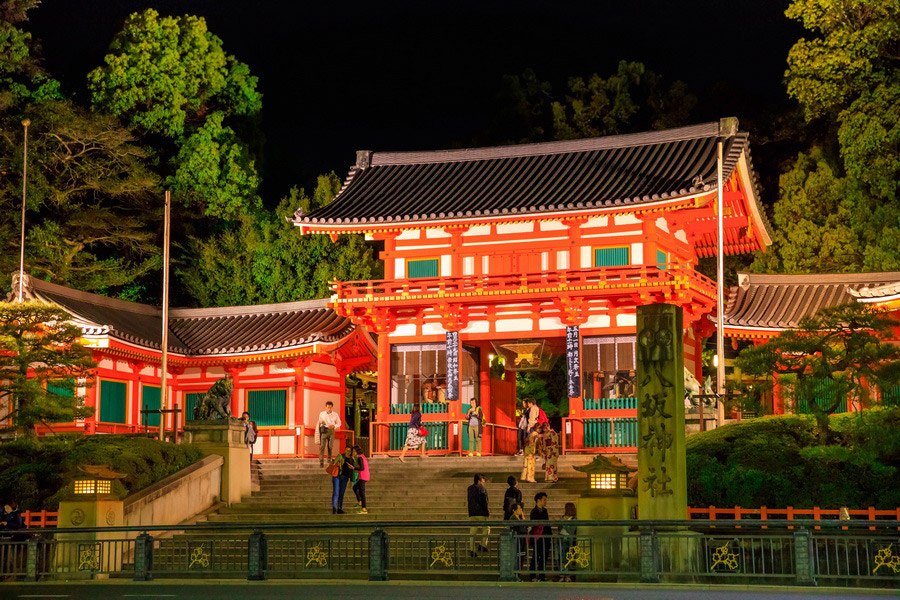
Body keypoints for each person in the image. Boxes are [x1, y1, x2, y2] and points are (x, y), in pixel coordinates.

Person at [466, 473, 490, 556]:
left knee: (472, 532)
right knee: (486, 528)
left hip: (472, 513)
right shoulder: (481, 488)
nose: (484, 481)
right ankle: (483, 545)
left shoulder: (469, 488)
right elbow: (484, 501)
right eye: (483, 479)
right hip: (481, 512)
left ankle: (472, 550)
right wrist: (487, 512)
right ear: (480, 480)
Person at [529, 491, 550, 581]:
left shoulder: (545, 511)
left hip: (545, 536)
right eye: (544, 500)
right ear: (538, 500)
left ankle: (542, 576)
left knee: (544, 557)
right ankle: (532, 575)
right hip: (538, 537)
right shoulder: (534, 511)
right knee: (536, 556)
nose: (545, 502)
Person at [329, 446, 356, 514]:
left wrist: (351, 480)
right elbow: (334, 463)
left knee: (341, 493)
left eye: (349, 451)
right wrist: (338, 464)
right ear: (344, 450)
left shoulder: (351, 459)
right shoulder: (340, 456)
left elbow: (352, 470)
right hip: (337, 476)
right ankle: (334, 507)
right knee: (336, 492)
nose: (348, 452)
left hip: (345, 477)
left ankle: (340, 508)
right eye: (346, 450)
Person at [316, 401, 341, 467]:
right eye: (328, 407)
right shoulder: (322, 414)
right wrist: (321, 422)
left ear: (332, 407)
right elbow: (320, 421)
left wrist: (334, 426)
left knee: (330, 446)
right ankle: (321, 461)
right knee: (322, 446)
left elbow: (339, 423)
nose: (329, 409)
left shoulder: (335, 414)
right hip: (324, 430)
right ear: (326, 407)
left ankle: (329, 458)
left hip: (331, 431)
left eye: (330, 407)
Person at [506, 502, 528, 576]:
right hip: (517, 541)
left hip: (521, 540)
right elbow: (520, 529)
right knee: (517, 557)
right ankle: (516, 574)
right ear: (514, 510)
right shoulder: (513, 518)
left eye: (521, 508)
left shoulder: (520, 517)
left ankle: (518, 572)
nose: (521, 510)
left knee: (521, 556)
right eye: (519, 508)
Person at [558, 502, 577, 582]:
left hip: (568, 539)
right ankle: (563, 574)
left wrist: (565, 524)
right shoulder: (563, 517)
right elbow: (559, 527)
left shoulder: (574, 519)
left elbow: (572, 530)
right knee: (561, 557)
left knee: (567, 557)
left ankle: (567, 574)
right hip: (561, 538)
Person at [352, 445, 370, 514]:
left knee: (362, 493)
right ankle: (360, 502)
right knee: (355, 488)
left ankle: (364, 509)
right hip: (363, 476)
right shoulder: (362, 456)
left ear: (357, 451)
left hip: (363, 476)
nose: (353, 452)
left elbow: (362, 468)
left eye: (354, 451)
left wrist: (353, 468)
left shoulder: (360, 458)